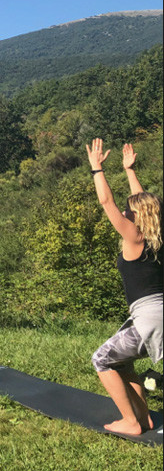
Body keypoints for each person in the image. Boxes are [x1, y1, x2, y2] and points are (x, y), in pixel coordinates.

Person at [86, 138, 163, 435]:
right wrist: (130, 171)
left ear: (138, 218)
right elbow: (143, 203)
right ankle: (143, 418)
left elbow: (108, 203)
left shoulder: (134, 237)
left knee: (101, 359)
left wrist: (97, 170)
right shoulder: (157, 236)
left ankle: (131, 422)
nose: (127, 214)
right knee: (124, 361)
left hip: (149, 318)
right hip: (154, 314)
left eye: (131, 213)